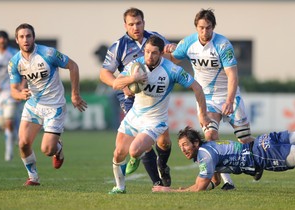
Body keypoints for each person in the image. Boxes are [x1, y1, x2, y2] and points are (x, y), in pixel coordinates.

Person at [152, 95, 295, 192]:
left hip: (263, 156)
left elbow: (199, 187)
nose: (183, 149)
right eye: (181, 146)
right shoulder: (209, 150)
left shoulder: (204, 155)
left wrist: (168, 191)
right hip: (264, 140)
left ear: (195, 142)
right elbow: (212, 180)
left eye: (185, 145)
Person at [169, 8, 259, 190]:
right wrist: (168, 50)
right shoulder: (188, 43)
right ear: (196, 27)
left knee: (244, 139)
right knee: (210, 136)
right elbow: (171, 60)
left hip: (228, 95)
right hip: (206, 98)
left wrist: (229, 100)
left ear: (213, 27)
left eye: (208, 28)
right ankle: (226, 181)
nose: (204, 32)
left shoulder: (223, 45)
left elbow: (232, 76)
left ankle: (259, 158)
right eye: (201, 28)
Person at [108, 35, 211, 194]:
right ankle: (120, 187)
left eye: (154, 53)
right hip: (134, 116)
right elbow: (116, 84)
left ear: (161, 53)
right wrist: (132, 78)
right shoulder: (136, 66)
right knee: (118, 153)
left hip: (155, 120)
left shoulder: (172, 69)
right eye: (147, 52)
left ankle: (136, 158)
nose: (149, 56)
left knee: (134, 150)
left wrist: (203, 114)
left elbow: (197, 88)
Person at [99, 7, 176, 188]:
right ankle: (157, 182)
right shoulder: (119, 46)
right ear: (125, 25)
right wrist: (122, 84)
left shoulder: (155, 39)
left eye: (139, 23)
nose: (136, 27)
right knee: (142, 140)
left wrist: (173, 50)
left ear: (144, 23)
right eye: (131, 24)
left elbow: (173, 60)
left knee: (163, 140)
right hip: (130, 97)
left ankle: (162, 164)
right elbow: (104, 74)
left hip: (154, 94)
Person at [8, 23, 87, 186]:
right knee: (23, 143)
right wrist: (19, 94)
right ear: (16, 40)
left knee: (47, 150)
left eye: (28, 36)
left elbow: (73, 66)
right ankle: (33, 178)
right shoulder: (14, 62)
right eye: (21, 37)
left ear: (33, 38)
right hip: (33, 106)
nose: (25, 39)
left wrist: (75, 94)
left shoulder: (48, 53)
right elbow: (14, 91)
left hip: (54, 107)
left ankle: (57, 148)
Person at [0, 30, 19, 161]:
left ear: (7, 40)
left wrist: (21, 86)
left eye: (4, 38)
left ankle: (8, 152)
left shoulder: (14, 54)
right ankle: (14, 135)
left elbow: (23, 71)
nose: (2, 40)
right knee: (4, 125)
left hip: (10, 92)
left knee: (9, 121)